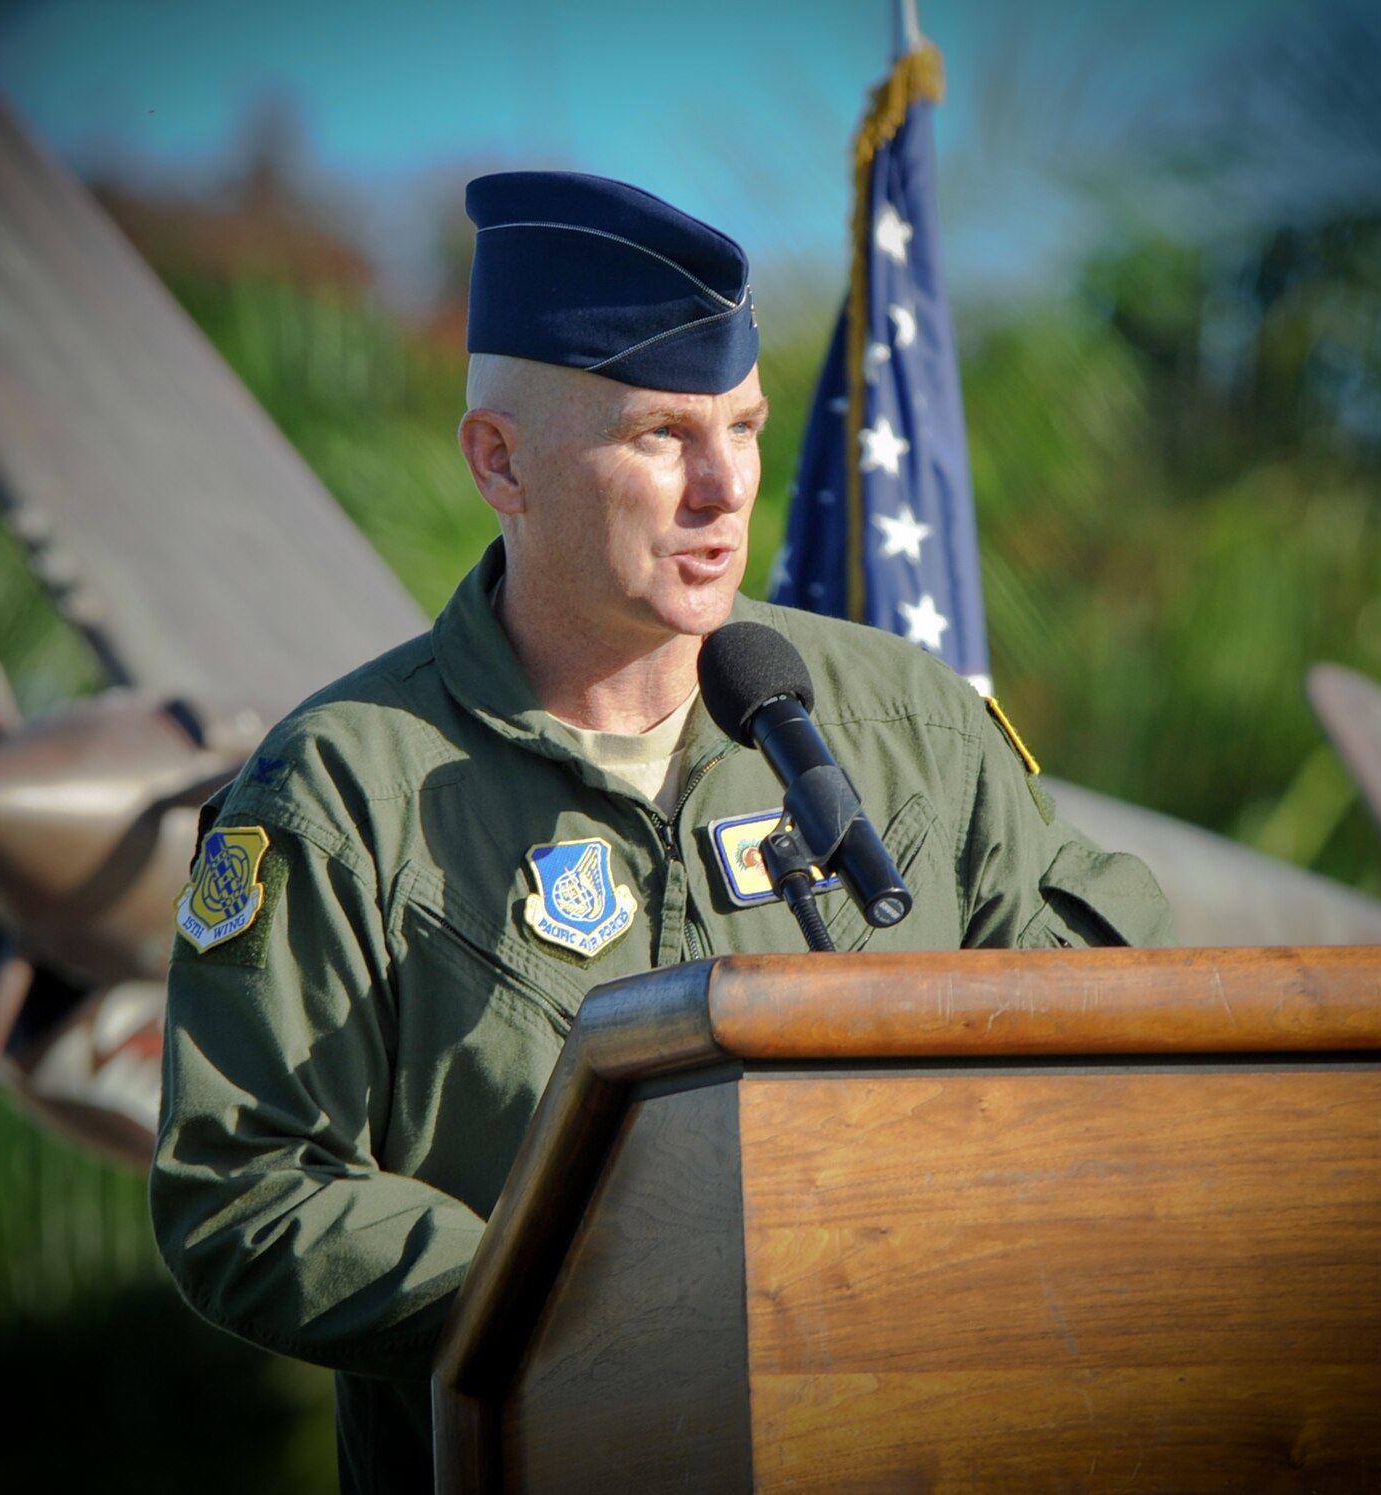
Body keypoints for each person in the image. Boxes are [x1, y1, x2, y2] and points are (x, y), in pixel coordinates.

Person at [150, 171, 1170, 1494]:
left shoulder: (898, 716)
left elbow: (1114, 1005)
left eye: (744, 427)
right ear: (499, 460)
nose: (725, 488)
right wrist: (575, 1314)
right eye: (658, 437)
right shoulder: (346, 786)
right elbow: (242, 1185)